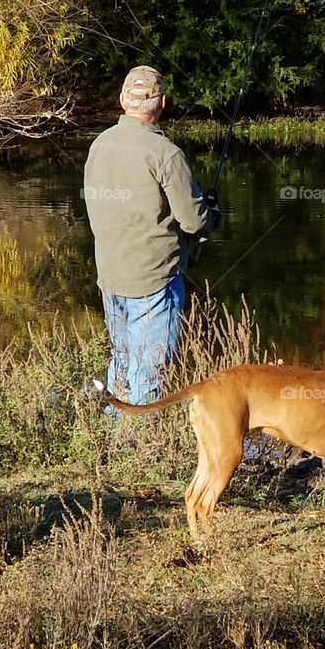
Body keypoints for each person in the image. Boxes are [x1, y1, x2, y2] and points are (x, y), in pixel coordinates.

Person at [83, 65, 219, 404]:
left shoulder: (99, 145)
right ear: (162, 103)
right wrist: (212, 214)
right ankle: (139, 444)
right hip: (154, 280)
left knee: (123, 360)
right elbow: (194, 221)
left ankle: (116, 435)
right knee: (149, 371)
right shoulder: (166, 154)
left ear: (122, 100)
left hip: (110, 275)